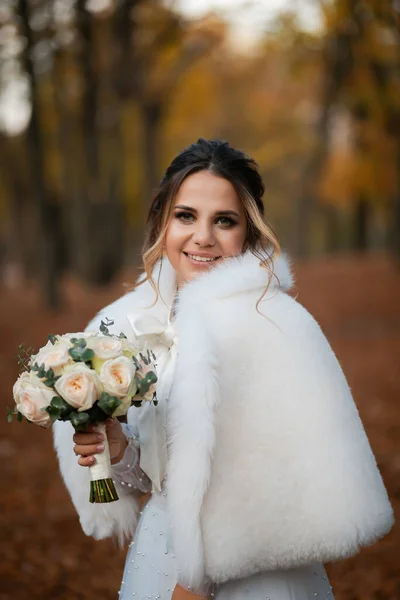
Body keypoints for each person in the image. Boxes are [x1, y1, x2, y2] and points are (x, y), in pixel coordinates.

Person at [54, 139, 394, 600]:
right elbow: (164, 479)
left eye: (225, 221)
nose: (203, 237)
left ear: (249, 234)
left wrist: (197, 582)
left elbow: (269, 475)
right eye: (186, 216)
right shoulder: (139, 323)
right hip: (161, 551)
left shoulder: (268, 323)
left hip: (249, 570)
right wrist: (120, 450)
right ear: (163, 222)